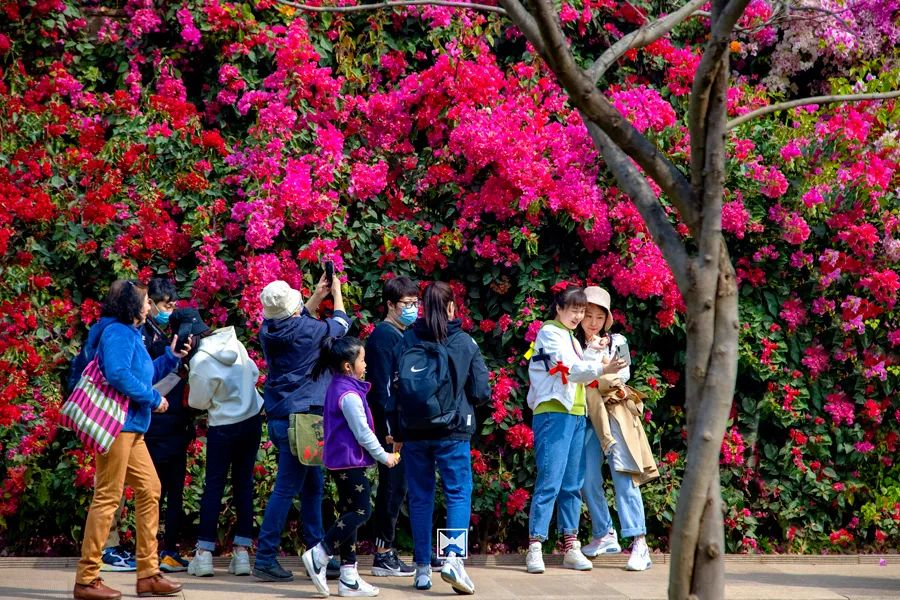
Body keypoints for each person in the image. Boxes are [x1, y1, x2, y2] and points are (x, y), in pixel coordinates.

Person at [73, 280, 190, 600]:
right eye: (144, 301)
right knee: (108, 498)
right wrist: (153, 398)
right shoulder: (117, 333)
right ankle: (86, 579)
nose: (149, 305)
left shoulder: (130, 333)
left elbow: (140, 372)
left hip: (132, 427)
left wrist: (170, 356)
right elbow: (118, 374)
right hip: (117, 425)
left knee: (150, 490)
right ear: (130, 306)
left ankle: (148, 574)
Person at [389, 281, 491, 594]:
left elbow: (394, 389)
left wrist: (396, 427)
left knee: (420, 498)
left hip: (414, 432)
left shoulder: (406, 338)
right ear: (450, 307)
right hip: (453, 429)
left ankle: (421, 568)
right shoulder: (463, 341)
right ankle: (451, 558)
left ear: (421, 307)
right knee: (457, 493)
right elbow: (481, 391)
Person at [252, 273, 352, 583]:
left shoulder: (268, 330)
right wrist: (335, 293)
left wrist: (314, 299)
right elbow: (341, 325)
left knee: (312, 486)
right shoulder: (309, 331)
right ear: (295, 309)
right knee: (287, 489)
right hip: (305, 419)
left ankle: (316, 552)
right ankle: (265, 558)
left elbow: (295, 320)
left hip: (283, 417)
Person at [167, 308, 265, 578]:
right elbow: (255, 374)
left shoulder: (200, 362)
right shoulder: (235, 342)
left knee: (214, 486)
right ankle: (243, 553)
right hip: (252, 420)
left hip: (223, 427)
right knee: (243, 484)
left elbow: (198, 402)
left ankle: (204, 554)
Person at [302, 337, 401, 597]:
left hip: (341, 461)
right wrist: (385, 457)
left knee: (350, 514)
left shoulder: (342, 387)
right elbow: (363, 433)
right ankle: (320, 553)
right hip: (348, 462)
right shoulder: (348, 395)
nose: (366, 364)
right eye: (362, 360)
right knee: (361, 510)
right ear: (348, 366)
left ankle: (349, 577)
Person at [524, 285, 606, 575]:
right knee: (551, 480)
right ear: (558, 308)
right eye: (573, 309)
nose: (578, 315)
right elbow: (571, 371)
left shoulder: (570, 337)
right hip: (553, 414)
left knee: (572, 483)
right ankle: (535, 545)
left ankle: (570, 545)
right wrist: (600, 367)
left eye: (581, 310)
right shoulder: (549, 332)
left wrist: (594, 355)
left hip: (575, 414)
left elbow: (580, 369)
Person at [577, 286, 655, 571]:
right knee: (585, 478)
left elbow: (622, 374)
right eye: (588, 314)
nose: (593, 321)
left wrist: (594, 376)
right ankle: (604, 532)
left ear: (607, 319)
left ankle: (640, 543)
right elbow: (577, 378)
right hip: (586, 417)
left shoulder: (617, 341)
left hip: (616, 413)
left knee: (624, 475)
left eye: (599, 316)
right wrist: (599, 372)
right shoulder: (574, 345)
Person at [364, 276, 419, 578]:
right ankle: (382, 554)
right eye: (406, 304)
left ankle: (392, 550)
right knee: (392, 487)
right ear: (389, 305)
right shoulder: (385, 336)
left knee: (400, 488)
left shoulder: (402, 334)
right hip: (391, 428)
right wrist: (391, 429)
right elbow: (383, 388)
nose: (412, 309)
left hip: (402, 425)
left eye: (415, 303)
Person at [142, 277, 194, 573]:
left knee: (172, 493)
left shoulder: (163, 333)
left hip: (174, 426)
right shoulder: (143, 337)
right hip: (155, 425)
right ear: (148, 303)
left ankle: (168, 551)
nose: (168, 310)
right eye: (165, 304)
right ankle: (153, 552)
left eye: (173, 305)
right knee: (153, 494)